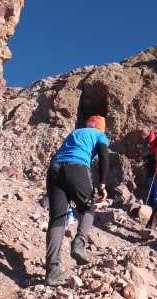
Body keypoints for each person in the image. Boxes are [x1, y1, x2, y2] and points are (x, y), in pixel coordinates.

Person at [44, 115, 109, 286]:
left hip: (54, 170)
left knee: (57, 219)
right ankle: (79, 242)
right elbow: (103, 156)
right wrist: (102, 183)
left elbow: (58, 154)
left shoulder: (76, 132)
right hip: (77, 168)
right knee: (88, 207)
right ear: (101, 127)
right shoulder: (99, 135)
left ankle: (52, 270)